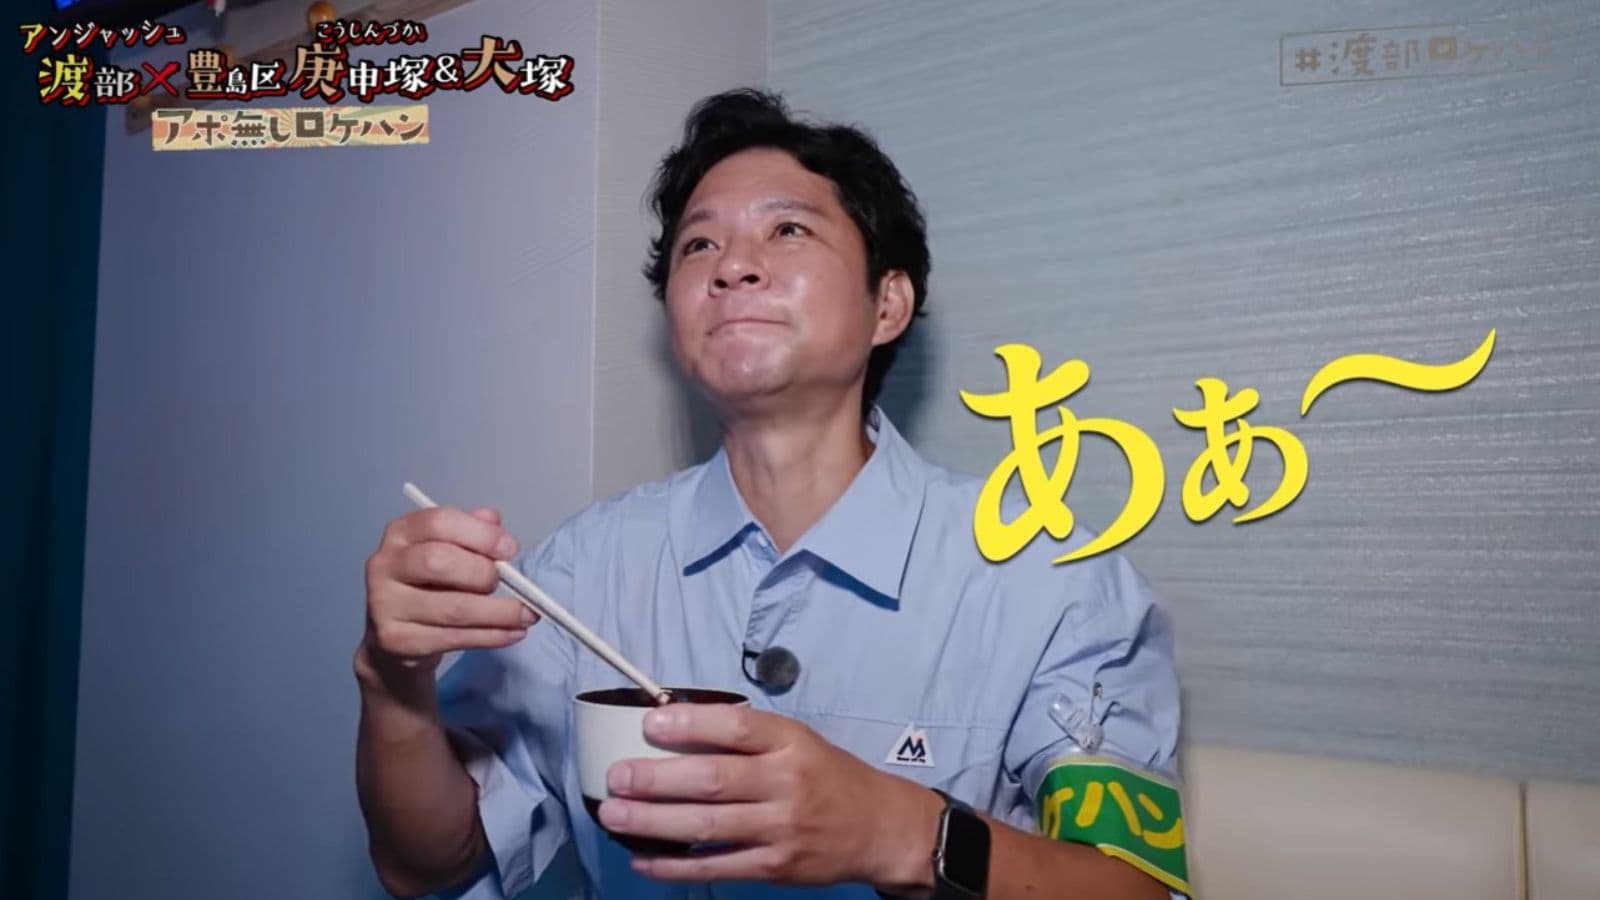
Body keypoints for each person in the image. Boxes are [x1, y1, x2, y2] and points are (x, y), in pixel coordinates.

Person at [356, 88, 1185, 900]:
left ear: (888, 304)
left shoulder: (1052, 580)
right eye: (699, 246)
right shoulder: (583, 568)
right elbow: (426, 864)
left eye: (788, 230)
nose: (733, 266)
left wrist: (891, 829)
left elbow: (1136, 888)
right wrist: (394, 685)